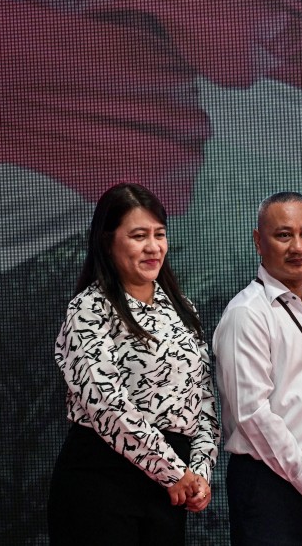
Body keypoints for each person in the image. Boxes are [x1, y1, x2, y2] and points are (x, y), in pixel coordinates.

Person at [47, 183, 219, 545]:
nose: (153, 247)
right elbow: (106, 404)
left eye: (159, 234)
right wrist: (173, 472)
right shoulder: (89, 309)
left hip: (171, 490)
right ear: (108, 241)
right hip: (102, 481)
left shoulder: (182, 309)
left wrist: (199, 473)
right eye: (139, 235)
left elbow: (203, 399)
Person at [213, 192, 302, 545]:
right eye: (284, 235)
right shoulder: (247, 314)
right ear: (259, 241)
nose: (298, 246)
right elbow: (253, 415)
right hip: (271, 484)